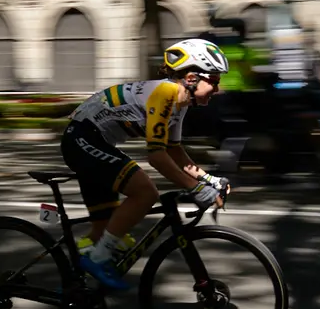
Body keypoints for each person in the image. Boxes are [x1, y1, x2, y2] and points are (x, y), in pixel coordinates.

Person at [61, 38, 232, 290]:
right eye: (214, 82)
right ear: (193, 78)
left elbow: (175, 151)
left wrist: (209, 180)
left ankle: (70, 292)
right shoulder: (165, 94)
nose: (217, 89)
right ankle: (97, 260)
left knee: (106, 231)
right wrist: (196, 190)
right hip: (82, 140)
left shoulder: (180, 103)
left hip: (95, 144)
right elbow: (156, 156)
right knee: (145, 193)